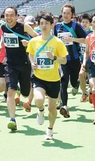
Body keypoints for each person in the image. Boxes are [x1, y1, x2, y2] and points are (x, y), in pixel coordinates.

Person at [27, 12, 67, 140]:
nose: (44, 26)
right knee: (38, 100)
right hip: (39, 77)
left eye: (46, 23)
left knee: (52, 108)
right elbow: (31, 53)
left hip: (54, 79)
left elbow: (64, 60)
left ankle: (50, 129)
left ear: (51, 25)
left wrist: (54, 57)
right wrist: (32, 62)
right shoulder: (33, 41)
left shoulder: (57, 42)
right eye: (41, 23)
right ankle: (40, 110)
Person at [0, 6, 38, 131]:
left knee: (25, 93)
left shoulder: (24, 26)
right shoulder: (3, 27)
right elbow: (4, 37)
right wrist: (0, 46)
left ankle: (24, 91)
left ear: (16, 16)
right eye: (6, 15)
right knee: (10, 91)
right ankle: (12, 119)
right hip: (10, 64)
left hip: (24, 63)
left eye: (11, 15)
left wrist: (29, 42)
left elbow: (38, 38)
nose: (8, 18)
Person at [54, 3, 87, 118]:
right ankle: (64, 105)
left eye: (68, 13)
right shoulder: (57, 26)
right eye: (64, 13)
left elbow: (85, 40)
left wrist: (72, 39)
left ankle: (76, 84)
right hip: (63, 60)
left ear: (72, 14)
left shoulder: (76, 26)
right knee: (63, 81)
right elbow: (54, 40)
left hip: (74, 59)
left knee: (73, 82)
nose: (66, 15)